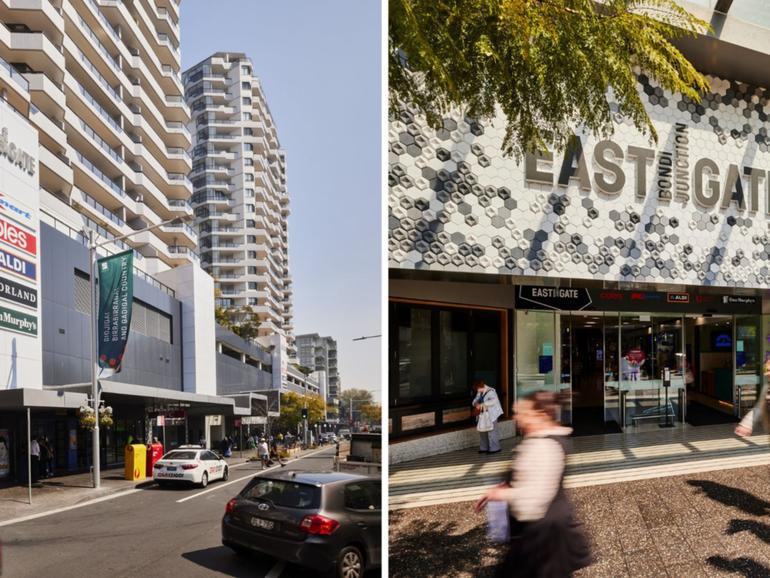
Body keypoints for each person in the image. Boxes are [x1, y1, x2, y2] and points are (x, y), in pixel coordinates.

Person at [476, 391, 592, 577]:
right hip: (539, 540)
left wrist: (502, 494)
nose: (517, 418)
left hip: (543, 541)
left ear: (541, 415)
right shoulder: (539, 440)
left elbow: (533, 500)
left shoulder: (546, 446)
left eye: (523, 413)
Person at [736, 356, 770, 437]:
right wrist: (746, 424)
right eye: (767, 370)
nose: (767, 374)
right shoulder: (767, 388)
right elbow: (760, 407)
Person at [472, 379, 503, 454]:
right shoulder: (480, 391)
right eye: (477, 389)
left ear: (481, 386)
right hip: (483, 414)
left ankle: (495, 448)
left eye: (478, 388)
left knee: (492, 431)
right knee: (482, 430)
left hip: (492, 414)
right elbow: (475, 400)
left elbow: (493, 401)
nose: (477, 390)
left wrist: (483, 404)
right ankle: (484, 448)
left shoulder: (491, 391)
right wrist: (475, 403)